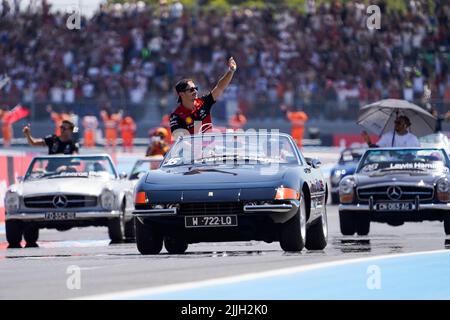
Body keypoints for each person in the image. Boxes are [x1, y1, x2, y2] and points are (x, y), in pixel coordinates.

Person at [169, 57, 237, 139]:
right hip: (190, 150)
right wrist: (197, 149)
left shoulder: (203, 102)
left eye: (195, 88)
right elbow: (178, 139)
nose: (195, 91)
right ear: (181, 94)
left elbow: (219, 87)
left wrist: (231, 71)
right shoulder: (176, 116)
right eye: (191, 90)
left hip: (210, 150)